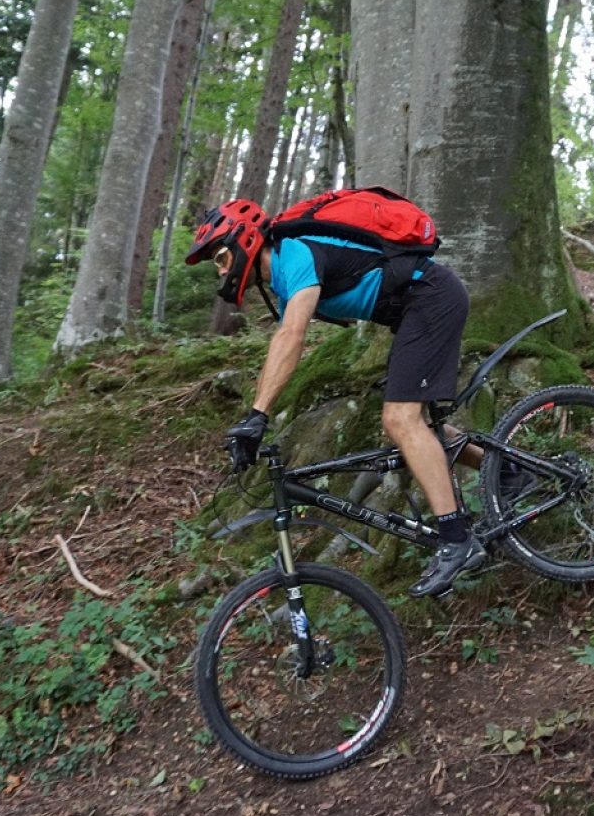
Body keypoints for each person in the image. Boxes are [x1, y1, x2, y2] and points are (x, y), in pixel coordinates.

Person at [185, 195, 485, 599]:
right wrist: (255, 415)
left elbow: (292, 335)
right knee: (419, 428)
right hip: (416, 309)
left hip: (431, 299)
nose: (220, 270)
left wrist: (258, 414)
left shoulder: (295, 255)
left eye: (220, 257)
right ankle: (505, 471)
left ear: (244, 242)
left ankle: (456, 539)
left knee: (400, 420)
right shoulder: (286, 275)